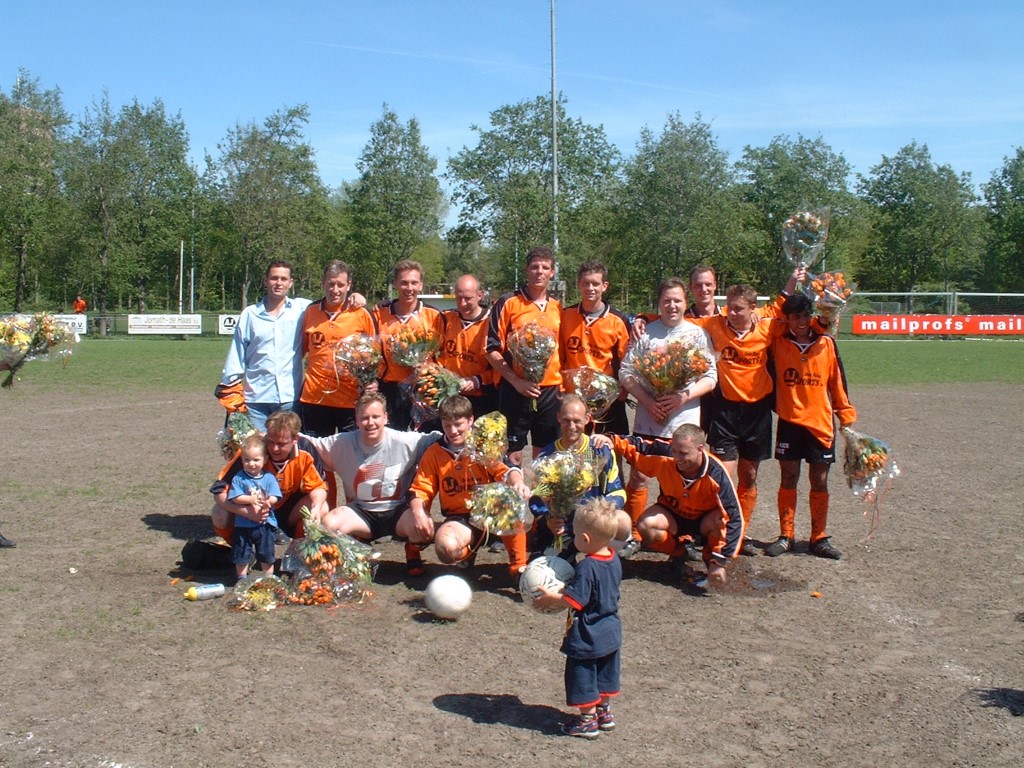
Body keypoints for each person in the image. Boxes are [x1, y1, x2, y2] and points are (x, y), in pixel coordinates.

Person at [684, 271, 803, 554]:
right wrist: (641, 319)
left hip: (757, 413)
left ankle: (739, 533)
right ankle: (715, 530)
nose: (732, 313)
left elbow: (783, 308)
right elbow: (675, 320)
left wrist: (793, 281)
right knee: (721, 476)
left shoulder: (767, 327)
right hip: (725, 411)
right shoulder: (714, 324)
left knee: (748, 476)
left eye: (738, 308)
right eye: (729, 307)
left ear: (753, 309)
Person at [617, 276, 717, 550]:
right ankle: (634, 536)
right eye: (667, 301)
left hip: (683, 422)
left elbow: (711, 377)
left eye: (677, 301)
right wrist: (648, 401)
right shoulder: (646, 333)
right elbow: (626, 372)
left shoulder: (697, 334)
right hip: (649, 420)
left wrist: (682, 396)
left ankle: (681, 538)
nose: (672, 306)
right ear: (658, 303)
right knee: (639, 476)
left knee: (680, 479)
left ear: (686, 303)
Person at [303, 392, 442, 576]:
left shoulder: (405, 441)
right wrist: (273, 434)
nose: (370, 423)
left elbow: (439, 438)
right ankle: (354, 546)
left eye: (376, 417)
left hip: (397, 511)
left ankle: (412, 550)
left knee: (425, 527)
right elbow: (307, 443)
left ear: (386, 418)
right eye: (364, 418)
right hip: (361, 511)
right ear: (356, 420)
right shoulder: (340, 443)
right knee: (329, 523)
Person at [765, 293, 857, 560]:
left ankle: (819, 537)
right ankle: (786, 535)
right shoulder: (778, 343)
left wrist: (845, 415)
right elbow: (768, 323)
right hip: (790, 422)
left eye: (806, 315)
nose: (802, 321)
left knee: (819, 480)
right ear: (787, 319)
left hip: (820, 423)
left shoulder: (826, 343)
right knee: (789, 477)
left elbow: (836, 382)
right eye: (796, 317)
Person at [594, 424, 743, 586]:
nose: (677, 458)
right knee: (646, 525)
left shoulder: (717, 474)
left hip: (704, 521)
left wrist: (720, 560)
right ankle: (679, 553)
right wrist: (609, 439)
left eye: (683, 453)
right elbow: (637, 446)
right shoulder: (666, 455)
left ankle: (710, 559)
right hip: (673, 514)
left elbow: (734, 517)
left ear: (700, 449)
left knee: (721, 520)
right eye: (674, 451)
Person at [407, 396, 531, 578]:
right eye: (447, 425)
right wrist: (419, 512)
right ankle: (466, 553)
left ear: (471, 420)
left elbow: (506, 470)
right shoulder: (434, 453)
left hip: (491, 512)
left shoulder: (483, 446)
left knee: (508, 502)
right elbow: (422, 487)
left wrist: (517, 482)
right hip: (461, 517)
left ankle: (519, 566)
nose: (453, 431)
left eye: (458, 424)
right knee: (445, 548)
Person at [533, 498, 623, 739]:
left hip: (588, 633)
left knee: (583, 675)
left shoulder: (587, 566)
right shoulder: (614, 558)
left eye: (575, 534)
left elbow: (576, 601)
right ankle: (604, 713)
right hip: (611, 629)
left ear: (585, 539)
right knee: (604, 672)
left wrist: (551, 597)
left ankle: (587, 721)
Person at [528, 393, 631, 561]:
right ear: (558, 417)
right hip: (562, 528)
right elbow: (537, 499)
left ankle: (606, 560)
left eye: (577, 421)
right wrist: (549, 519)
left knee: (622, 520)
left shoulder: (600, 450)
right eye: (566, 420)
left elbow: (617, 492)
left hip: (595, 523)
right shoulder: (547, 455)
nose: (571, 426)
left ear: (587, 419)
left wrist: (597, 513)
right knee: (540, 571)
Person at [486, 245, 562, 466]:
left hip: (550, 391)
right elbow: (491, 350)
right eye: (535, 267)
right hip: (515, 390)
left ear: (552, 272)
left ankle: (539, 491)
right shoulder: (508, 302)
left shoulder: (558, 307)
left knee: (545, 456)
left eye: (545, 267)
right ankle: (514, 489)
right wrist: (517, 381)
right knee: (513, 455)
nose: (539, 272)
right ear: (527, 270)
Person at [210, 409, 330, 543]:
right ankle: (235, 545)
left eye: (281, 443)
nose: (274, 448)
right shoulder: (253, 451)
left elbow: (318, 487)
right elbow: (219, 492)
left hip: (287, 509)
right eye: (271, 441)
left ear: (295, 439)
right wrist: (245, 511)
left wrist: (316, 507)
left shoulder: (306, 449)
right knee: (219, 512)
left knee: (322, 507)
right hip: (252, 508)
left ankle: (298, 547)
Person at [220, 261, 311, 433]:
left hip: (290, 399)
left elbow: (331, 301)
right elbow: (236, 356)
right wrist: (229, 393)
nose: (278, 283)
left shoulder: (302, 309)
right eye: (274, 278)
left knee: (286, 447)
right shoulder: (250, 314)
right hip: (256, 401)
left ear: (291, 283)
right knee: (256, 448)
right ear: (265, 281)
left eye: (283, 279)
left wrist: (356, 298)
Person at [298, 260, 377, 436]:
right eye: (331, 284)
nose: (335, 290)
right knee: (316, 451)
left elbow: (375, 354)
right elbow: (301, 351)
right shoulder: (310, 311)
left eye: (340, 285)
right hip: (315, 399)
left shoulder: (361, 313)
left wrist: (372, 380)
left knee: (351, 451)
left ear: (349, 285)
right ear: (323, 284)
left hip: (350, 400)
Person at [560, 261, 631, 435]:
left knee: (609, 445)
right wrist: (560, 387)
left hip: (607, 399)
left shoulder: (618, 320)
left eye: (595, 284)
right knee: (575, 445)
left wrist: (624, 390)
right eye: (586, 283)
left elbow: (628, 361)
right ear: (579, 284)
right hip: (573, 397)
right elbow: (559, 356)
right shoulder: (566, 315)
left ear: (604, 286)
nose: (590, 288)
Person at [373, 260, 444, 431]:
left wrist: (429, 369)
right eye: (404, 282)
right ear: (396, 284)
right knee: (391, 439)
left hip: (425, 387)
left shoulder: (434, 316)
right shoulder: (379, 314)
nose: (409, 288)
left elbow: (443, 354)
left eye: (414, 283)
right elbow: (371, 352)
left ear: (421, 285)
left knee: (426, 440)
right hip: (391, 389)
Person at [436, 274, 499, 418]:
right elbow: (434, 353)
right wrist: (439, 372)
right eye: (459, 298)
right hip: (449, 395)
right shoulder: (446, 319)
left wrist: (478, 380)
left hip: (482, 397)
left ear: (480, 295)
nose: (463, 303)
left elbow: (501, 365)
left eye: (468, 298)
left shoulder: (492, 322)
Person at [227, 434, 282, 579]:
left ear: (265, 459)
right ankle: (242, 578)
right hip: (243, 524)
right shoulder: (239, 478)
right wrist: (250, 499)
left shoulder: (269, 478)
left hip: (265, 523)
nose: (251, 464)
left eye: (256, 460)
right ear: (242, 460)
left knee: (266, 552)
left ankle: (268, 577)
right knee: (241, 552)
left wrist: (269, 501)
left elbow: (275, 496)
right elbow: (235, 497)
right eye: (247, 460)